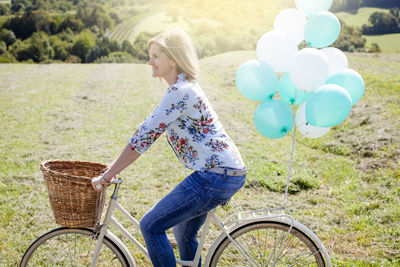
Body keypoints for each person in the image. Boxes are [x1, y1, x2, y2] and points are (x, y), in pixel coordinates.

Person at [91, 28, 246, 267]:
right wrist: (113, 166)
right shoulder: (184, 87)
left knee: (150, 226)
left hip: (215, 176)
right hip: (225, 172)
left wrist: (107, 176)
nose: (150, 61)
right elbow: (145, 129)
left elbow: (143, 139)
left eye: (155, 56)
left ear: (172, 58)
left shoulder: (180, 92)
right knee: (183, 231)